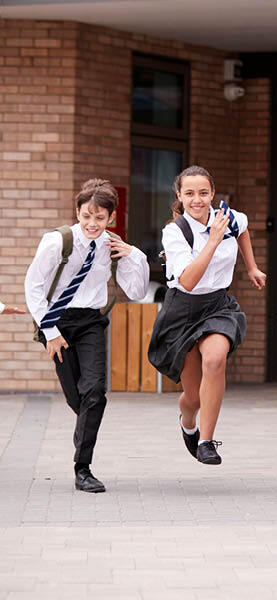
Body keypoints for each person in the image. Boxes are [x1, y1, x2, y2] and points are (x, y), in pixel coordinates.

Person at [25, 179, 149, 492]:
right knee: (77, 398)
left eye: (99, 218)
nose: (92, 224)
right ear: (77, 212)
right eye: (86, 216)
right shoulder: (57, 242)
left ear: (111, 218)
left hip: (91, 321)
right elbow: (34, 288)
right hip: (58, 321)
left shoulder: (113, 245)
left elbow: (134, 291)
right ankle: (87, 428)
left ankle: (83, 468)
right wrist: (50, 332)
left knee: (94, 392)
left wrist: (135, 256)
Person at [148, 166, 266, 466]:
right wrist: (213, 241)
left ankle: (206, 441)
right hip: (183, 309)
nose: (197, 200)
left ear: (212, 193)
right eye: (189, 194)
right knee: (193, 397)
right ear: (179, 196)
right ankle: (188, 421)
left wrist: (251, 266)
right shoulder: (175, 232)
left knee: (215, 359)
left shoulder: (230, 217)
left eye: (203, 193)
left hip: (217, 305)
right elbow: (187, 281)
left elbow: (243, 231)